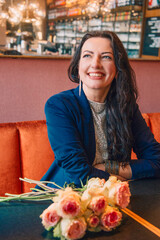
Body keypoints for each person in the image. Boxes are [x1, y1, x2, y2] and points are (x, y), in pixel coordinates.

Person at [41, 31, 160, 188]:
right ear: (78, 65)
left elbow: (157, 160)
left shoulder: (126, 105)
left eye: (106, 57)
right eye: (87, 56)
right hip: (65, 197)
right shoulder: (59, 105)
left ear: (118, 67)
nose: (95, 64)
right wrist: (118, 178)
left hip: (112, 200)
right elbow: (80, 174)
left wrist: (109, 168)